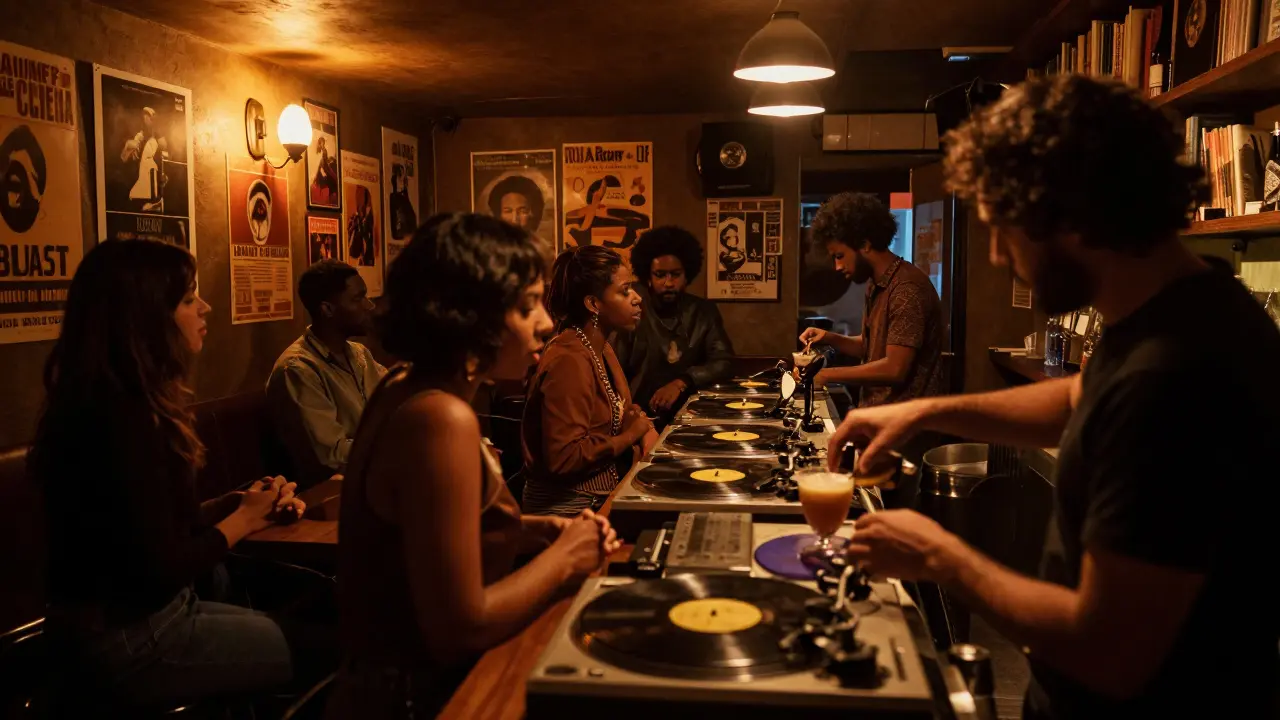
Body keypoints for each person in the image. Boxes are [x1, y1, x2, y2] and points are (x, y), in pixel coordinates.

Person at [833, 75, 1280, 718]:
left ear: (1064, 215)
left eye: (1001, 229)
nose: (998, 255)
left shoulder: (1176, 377)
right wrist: (922, 410)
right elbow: (1082, 398)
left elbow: (1111, 653)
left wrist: (936, 554)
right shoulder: (1188, 309)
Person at [324, 213, 620, 718]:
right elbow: (461, 626)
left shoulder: (404, 385)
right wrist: (566, 557)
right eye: (528, 306)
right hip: (419, 698)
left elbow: (423, 534)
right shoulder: (442, 417)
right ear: (469, 317)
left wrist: (536, 530)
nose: (546, 323)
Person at [31, 239, 306, 711]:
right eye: (186, 298)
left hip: (134, 623)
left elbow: (137, 531)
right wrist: (244, 522)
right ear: (145, 318)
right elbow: (155, 567)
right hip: (133, 638)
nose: (205, 306)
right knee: (333, 649)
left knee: (312, 614)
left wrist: (234, 506)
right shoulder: (119, 419)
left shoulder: (108, 402)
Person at [522, 245, 655, 516]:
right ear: (593, 304)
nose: (637, 298)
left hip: (591, 499)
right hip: (566, 509)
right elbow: (564, 457)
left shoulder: (598, 347)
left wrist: (640, 423)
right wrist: (632, 434)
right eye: (624, 290)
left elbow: (612, 413)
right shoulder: (569, 358)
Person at [267, 259, 385, 490]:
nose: (369, 306)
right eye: (357, 298)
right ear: (328, 309)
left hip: (374, 479)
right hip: (328, 496)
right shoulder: (299, 369)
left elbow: (398, 399)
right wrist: (396, 444)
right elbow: (331, 455)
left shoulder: (360, 355)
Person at [613, 225, 734, 425]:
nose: (668, 283)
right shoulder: (632, 313)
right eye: (660, 275)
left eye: (675, 274)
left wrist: (681, 382)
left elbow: (724, 361)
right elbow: (615, 372)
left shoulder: (703, 313)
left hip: (692, 419)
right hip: (637, 420)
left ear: (687, 276)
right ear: (648, 278)